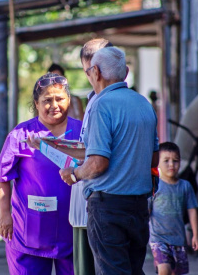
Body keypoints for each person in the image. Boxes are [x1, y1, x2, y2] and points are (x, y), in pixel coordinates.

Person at [59, 46, 159, 274]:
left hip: (108, 206)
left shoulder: (101, 105)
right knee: (133, 269)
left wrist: (74, 174)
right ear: (124, 72)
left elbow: (97, 163)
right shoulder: (143, 103)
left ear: (95, 72)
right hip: (139, 207)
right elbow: (153, 157)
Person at [0, 72, 82, 275]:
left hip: (73, 229)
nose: (54, 105)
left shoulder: (83, 131)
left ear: (69, 100)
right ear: (36, 103)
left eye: (60, 99)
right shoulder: (22, 134)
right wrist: (4, 214)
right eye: (47, 100)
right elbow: (1, 177)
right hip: (28, 231)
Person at [149, 142, 198, 275]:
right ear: (157, 163)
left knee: (177, 272)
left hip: (178, 239)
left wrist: (195, 234)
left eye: (175, 161)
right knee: (164, 269)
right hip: (158, 238)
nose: (171, 164)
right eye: (166, 161)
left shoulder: (185, 186)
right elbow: (146, 210)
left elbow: (192, 210)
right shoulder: (154, 185)